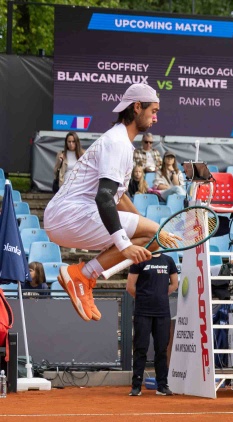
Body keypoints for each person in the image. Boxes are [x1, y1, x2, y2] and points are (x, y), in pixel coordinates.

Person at [44, 83, 163, 322]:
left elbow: (119, 198)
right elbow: (104, 197)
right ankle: (82, 274)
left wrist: (144, 227)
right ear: (137, 107)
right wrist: (124, 244)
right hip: (69, 216)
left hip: (66, 217)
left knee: (154, 237)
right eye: (153, 111)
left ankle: (84, 276)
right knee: (155, 235)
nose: (156, 118)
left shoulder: (119, 141)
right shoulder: (117, 142)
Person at [126, 252, 178, 396]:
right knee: (140, 348)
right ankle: (136, 386)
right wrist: (144, 298)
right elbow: (130, 286)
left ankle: (162, 385)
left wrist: (160, 296)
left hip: (162, 312)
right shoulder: (138, 260)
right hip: (143, 311)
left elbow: (174, 284)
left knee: (161, 349)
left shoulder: (168, 260)